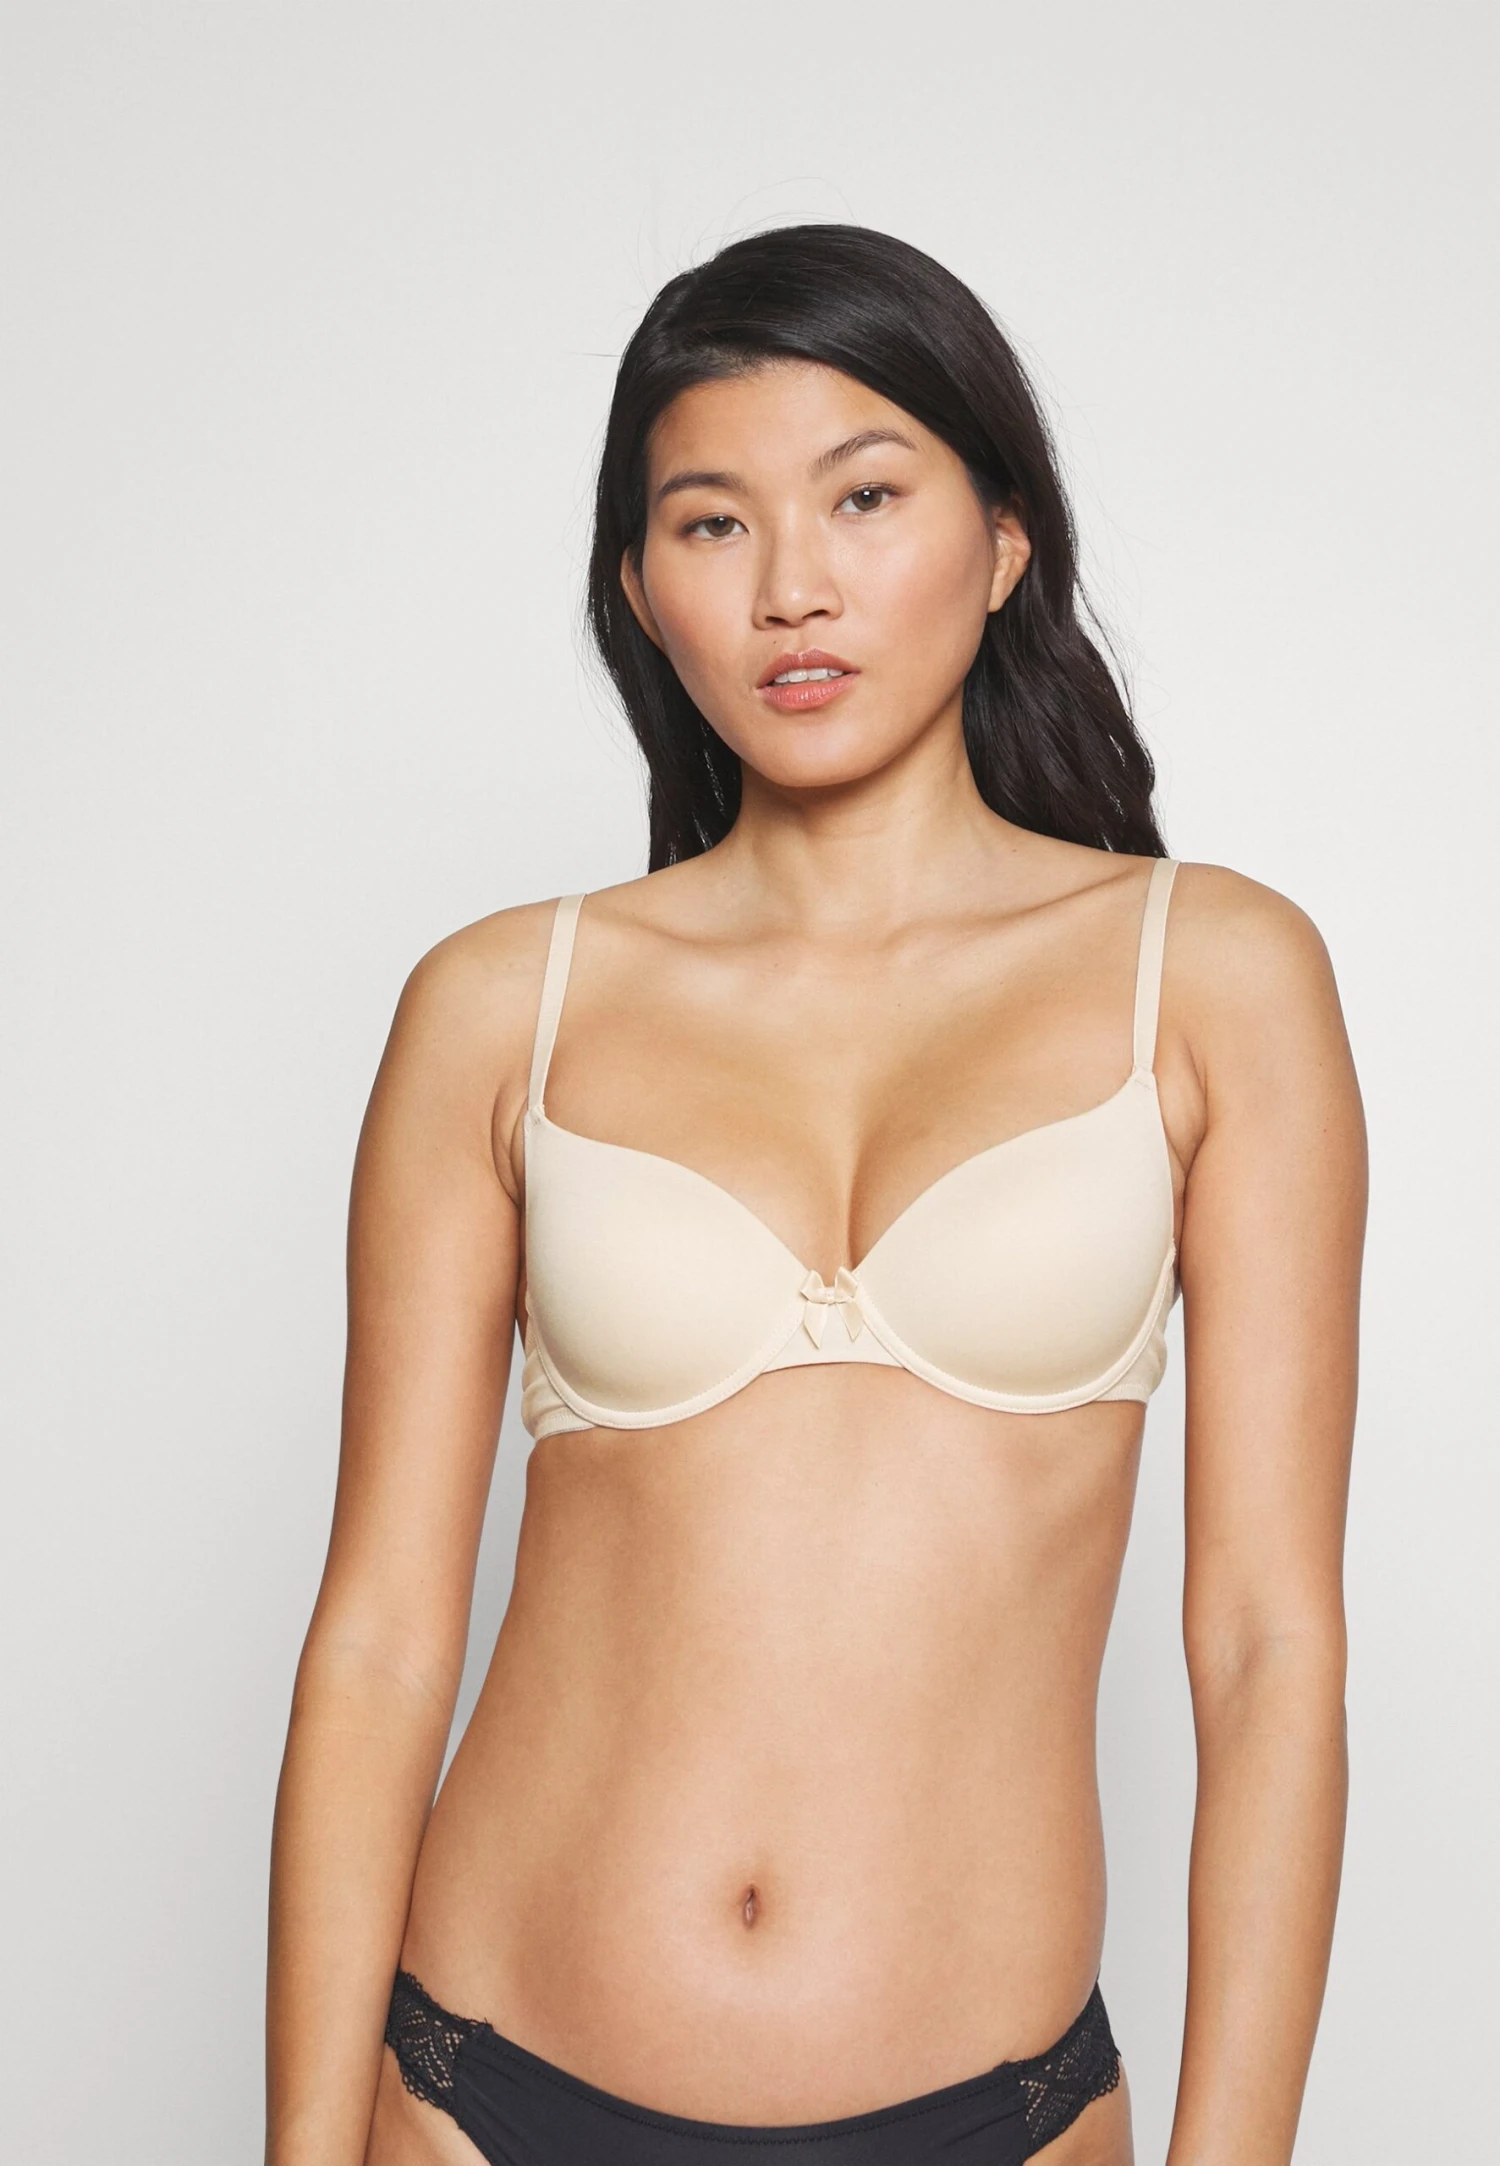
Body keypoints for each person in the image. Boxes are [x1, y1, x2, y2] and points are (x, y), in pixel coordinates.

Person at [266, 225, 1365, 2166]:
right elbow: (377, 1645)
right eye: (713, 522)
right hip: (485, 2092)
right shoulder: (501, 1007)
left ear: (1003, 540)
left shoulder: (1210, 978)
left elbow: (1268, 1644)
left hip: (996, 2114)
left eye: (865, 497)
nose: (794, 585)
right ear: (639, 589)